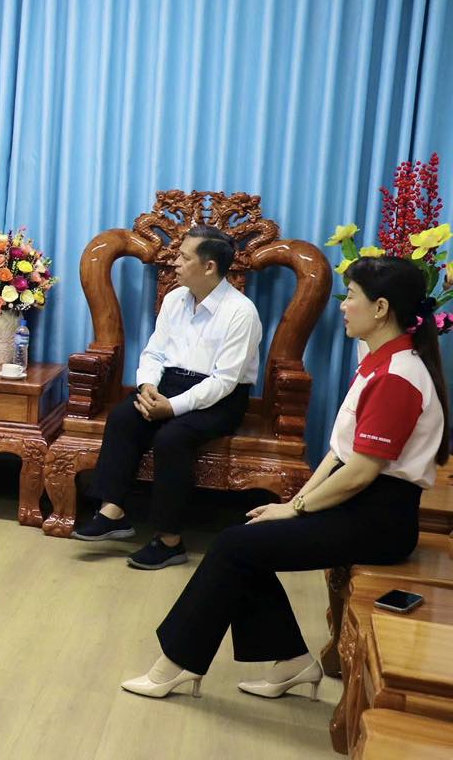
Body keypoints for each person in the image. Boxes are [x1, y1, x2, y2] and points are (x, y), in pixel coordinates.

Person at [122, 255, 448, 699]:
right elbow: (338, 455)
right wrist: (290, 507)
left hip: (379, 519)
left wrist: (296, 509)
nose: (342, 306)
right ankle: (291, 662)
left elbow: (360, 472)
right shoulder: (377, 362)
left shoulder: (398, 376)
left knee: (235, 547)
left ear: (381, 308)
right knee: (247, 540)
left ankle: (175, 665)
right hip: (356, 502)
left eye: (351, 297)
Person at [72, 225, 262, 569]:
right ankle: (112, 512)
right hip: (169, 383)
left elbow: (224, 381)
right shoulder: (175, 299)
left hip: (220, 397)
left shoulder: (241, 312)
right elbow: (155, 353)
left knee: (172, 437)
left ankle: (169, 541)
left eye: (184, 257)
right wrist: (147, 387)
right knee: (124, 417)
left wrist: (171, 408)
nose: (175, 262)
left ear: (209, 267)